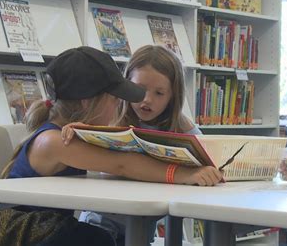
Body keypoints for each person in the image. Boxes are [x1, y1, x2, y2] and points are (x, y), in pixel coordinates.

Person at [0, 46, 223, 246]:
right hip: (23, 234)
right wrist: (184, 174)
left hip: (50, 229)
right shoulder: (55, 141)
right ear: (88, 102)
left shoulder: (69, 133)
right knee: (98, 239)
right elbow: (122, 164)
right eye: (115, 99)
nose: (120, 105)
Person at [61, 45, 207, 245]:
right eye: (140, 89)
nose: (147, 100)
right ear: (126, 85)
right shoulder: (110, 117)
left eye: (159, 93)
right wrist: (77, 131)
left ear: (173, 96)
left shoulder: (181, 127)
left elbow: (209, 158)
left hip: (141, 227)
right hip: (100, 223)